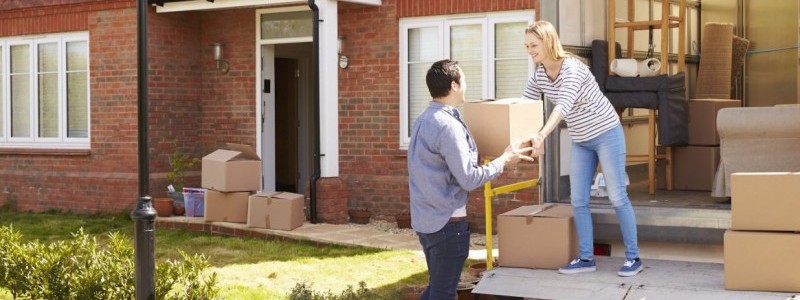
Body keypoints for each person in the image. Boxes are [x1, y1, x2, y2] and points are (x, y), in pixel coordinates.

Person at [522, 20, 643, 277]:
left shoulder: (573, 69)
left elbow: (562, 106)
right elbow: (525, 104)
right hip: (581, 140)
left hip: (607, 133)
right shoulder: (539, 73)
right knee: (578, 199)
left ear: (548, 42)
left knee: (617, 196)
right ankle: (586, 258)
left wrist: (542, 135)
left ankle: (634, 258)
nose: (530, 50)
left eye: (534, 45)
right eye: (527, 46)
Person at [408, 59, 533, 299]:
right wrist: (504, 159)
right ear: (454, 85)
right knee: (443, 293)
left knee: (438, 289)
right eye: (464, 80)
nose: (467, 84)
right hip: (447, 224)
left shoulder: (424, 119)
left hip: (426, 220)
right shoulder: (448, 126)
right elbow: (469, 179)